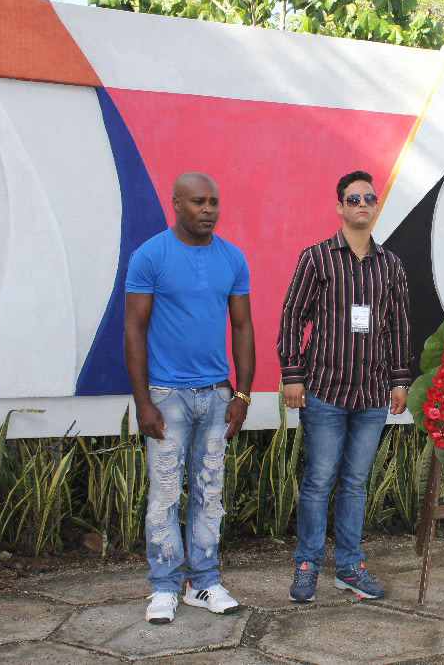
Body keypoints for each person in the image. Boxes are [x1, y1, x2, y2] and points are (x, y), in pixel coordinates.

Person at [124, 172, 255, 624]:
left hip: (217, 395)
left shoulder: (232, 258)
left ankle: (203, 582)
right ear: (176, 202)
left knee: (209, 491)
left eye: (214, 202)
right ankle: (163, 586)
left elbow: (242, 327)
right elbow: (134, 328)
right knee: (164, 494)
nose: (209, 210)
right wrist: (144, 401)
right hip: (166, 396)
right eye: (199, 202)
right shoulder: (150, 256)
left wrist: (241, 393)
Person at [277, 170, 411, 602]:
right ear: (339, 207)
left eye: (368, 198)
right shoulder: (316, 258)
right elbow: (291, 318)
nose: (361, 205)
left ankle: (350, 567)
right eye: (352, 199)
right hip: (325, 392)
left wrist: (399, 380)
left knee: (356, 482)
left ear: (375, 206)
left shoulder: (391, 265)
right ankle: (307, 565)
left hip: (372, 394)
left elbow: (399, 328)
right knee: (318, 481)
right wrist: (293, 375)